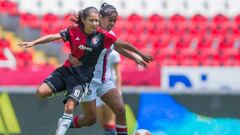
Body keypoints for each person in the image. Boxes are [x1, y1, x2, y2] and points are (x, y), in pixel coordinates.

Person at [18, 6, 153, 135]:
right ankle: (66, 118)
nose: (112, 23)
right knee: (90, 119)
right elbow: (65, 41)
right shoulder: (82, 29)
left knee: (119, 110)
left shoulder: (107, 35)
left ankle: (65, 122)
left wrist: (137, 56)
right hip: (87, 80)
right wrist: (69, 55)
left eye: (114, 21)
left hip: (102, 80)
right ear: (100, 18)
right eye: (109, 20)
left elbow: (119, 46)